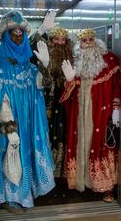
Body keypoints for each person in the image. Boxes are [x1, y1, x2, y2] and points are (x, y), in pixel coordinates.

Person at [0, 11, 55, 214]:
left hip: (26, 122)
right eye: (14, 34)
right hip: (8, 124)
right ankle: (7, 197)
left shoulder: (28, 65)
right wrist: (8, 128)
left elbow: (42, 86)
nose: (18, 37)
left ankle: (23, 194)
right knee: (9, 154)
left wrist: (45, 67)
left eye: (21, 33)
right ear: (6, 37)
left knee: (22, 154)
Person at [60, 28, 121, 202]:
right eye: (83, 41)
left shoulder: (109, 60)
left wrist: (117, 107)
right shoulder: (74, 62)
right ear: (79, 45)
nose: (87, 43)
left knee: (102, 144)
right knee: (81, 144)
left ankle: (106, 186)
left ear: (96, 41)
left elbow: (118, 84)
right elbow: (67, 96)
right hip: (79, 114)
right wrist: (70, 81)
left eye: (90, 40)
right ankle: (81, 181)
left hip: (102, 112)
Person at [45, 27, 74, 178]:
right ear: (51, 41)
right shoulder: (44, 56)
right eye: (56, 39)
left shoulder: (72, 57)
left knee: (64, 132)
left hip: (66, 103)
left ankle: (62, 171)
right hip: (47, 103)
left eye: (63, 40)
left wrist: (70, 81)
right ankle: (48, 170)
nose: (60, 43)